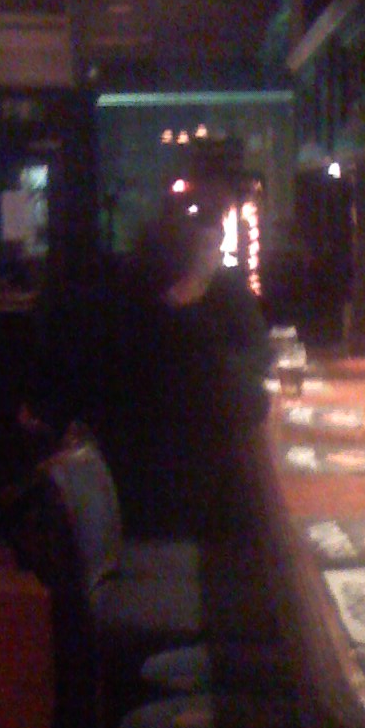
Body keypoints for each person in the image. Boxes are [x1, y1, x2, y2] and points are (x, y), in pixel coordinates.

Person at [34, 187, 271, 541]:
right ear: (191, 266)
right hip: (170, 518)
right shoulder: (184, 333)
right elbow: (254, 404)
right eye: (207, 249)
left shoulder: (113, 318)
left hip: (118, 504)